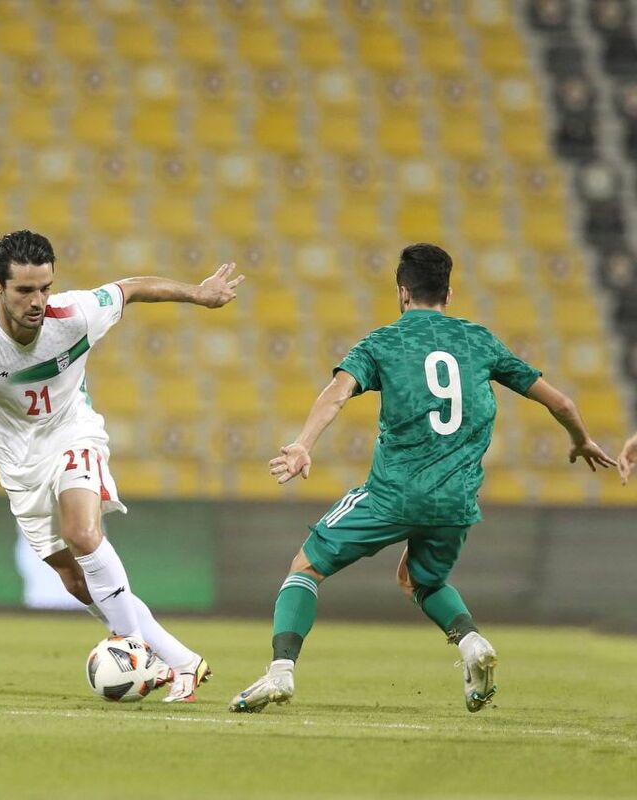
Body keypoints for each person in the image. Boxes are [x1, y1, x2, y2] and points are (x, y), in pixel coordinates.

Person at [231, 243, 616, 714]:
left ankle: (280, 672)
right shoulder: (480, 340)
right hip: (455, 501)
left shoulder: (382, 342)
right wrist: (579, 440)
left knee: (306, 567)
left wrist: (303, 445)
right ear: (449, 294)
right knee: (421, 581)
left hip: (392, 494)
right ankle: (472, 644)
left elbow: (337, 393)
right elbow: (562, 404)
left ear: (402, 292)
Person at [0, 230, 242, 702]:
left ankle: (138, 652)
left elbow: (131, 288)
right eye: (25, 290)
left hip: (73, 434)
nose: (38, 300)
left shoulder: (75, 313)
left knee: (83, 534)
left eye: (45, 287)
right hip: (20, 466)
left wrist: (199, 294)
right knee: (74, 578)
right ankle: (183, 661)